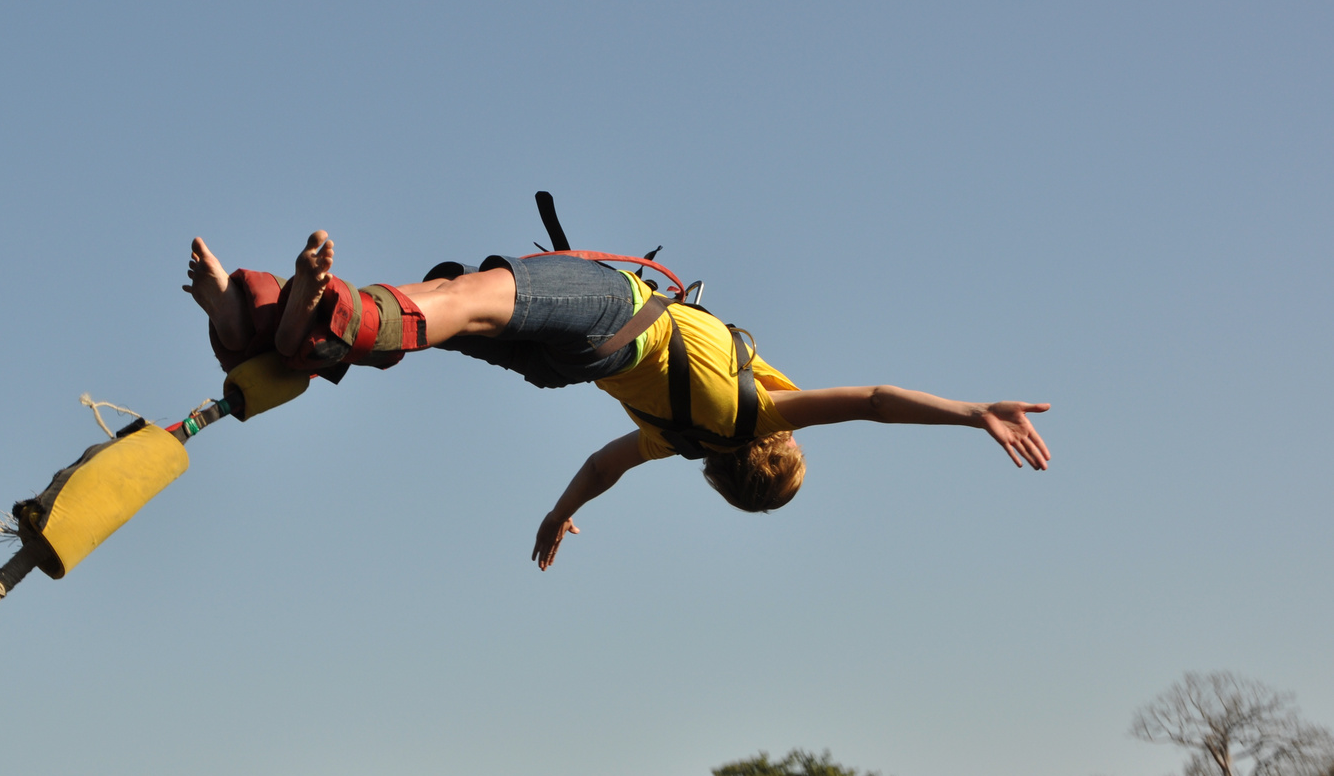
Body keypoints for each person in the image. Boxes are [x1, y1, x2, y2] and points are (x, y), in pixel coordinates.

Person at [185, 230, 1051, 570]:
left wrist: (973, 413)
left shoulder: (756, 415)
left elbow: (870, 400)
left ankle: (312, 302)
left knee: (457, 301)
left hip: (616, 312)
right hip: (567, 367)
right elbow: (603, 464)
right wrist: (559, 512)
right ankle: (276, 323)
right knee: (441, 328)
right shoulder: (681, 440)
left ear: (771, 454)